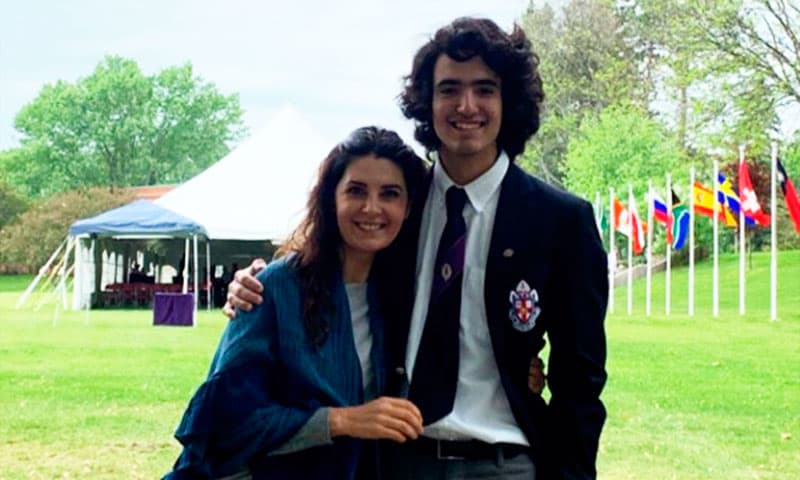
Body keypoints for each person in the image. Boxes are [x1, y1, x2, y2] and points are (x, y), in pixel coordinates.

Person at [227, 17, 608, 479]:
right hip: (396, 459)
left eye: (485, 89)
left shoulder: (561, 221)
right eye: (449, 89)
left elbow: (580, 382)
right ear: (427, 102)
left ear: (509, 101)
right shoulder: (395, 205)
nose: (466, 105)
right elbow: (326, 265)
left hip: (506, 464)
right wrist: (253, 283)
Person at [164, 126, 428, 479]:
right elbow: (225, 423)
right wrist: (342, 421)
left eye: (390, 194)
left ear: (408, 207)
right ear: (331, 198)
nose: (372, 208)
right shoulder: (274, 288)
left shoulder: (405, 297)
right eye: (356, 191)